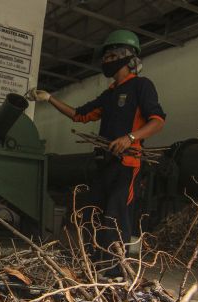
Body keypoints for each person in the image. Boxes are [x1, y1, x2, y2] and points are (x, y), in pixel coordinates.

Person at [27, 30, 166, 260]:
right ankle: (96, 264)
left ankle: (115, 269)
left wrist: (129, 138)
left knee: (115, 215)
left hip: (127, 164)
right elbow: (79, 115)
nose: (105, 62)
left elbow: (158, 121)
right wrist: (49, 98)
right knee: (95, 214)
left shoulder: (141, 86)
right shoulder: (109, 94)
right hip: (104, 163)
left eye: (109, 57)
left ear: (124, 56)